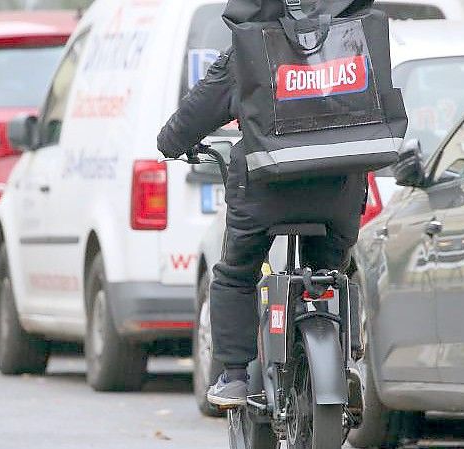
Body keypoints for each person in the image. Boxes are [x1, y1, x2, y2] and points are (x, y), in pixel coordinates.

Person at [157, 0, 369, 407]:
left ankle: (234, 375)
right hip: (338, 190)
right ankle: (345, 362)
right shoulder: (356, 39)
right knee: (331, 270)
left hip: (265, 191)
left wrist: (170, 142)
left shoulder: (248, 47)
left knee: (236, 271)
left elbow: (193, 117)